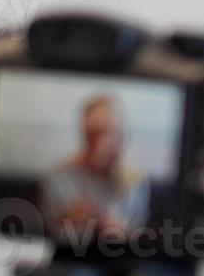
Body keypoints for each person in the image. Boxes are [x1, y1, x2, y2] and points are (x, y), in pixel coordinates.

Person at [39, 94, 150, 241]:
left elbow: (136, 236)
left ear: (122, 136)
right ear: (83, 134)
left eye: (110, 132)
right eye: (95, 133)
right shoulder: (58, 176)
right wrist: (69, 220)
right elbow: (52, 233)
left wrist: (110, 226)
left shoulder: (136, 180)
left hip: (120, 258)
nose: (102, 143)